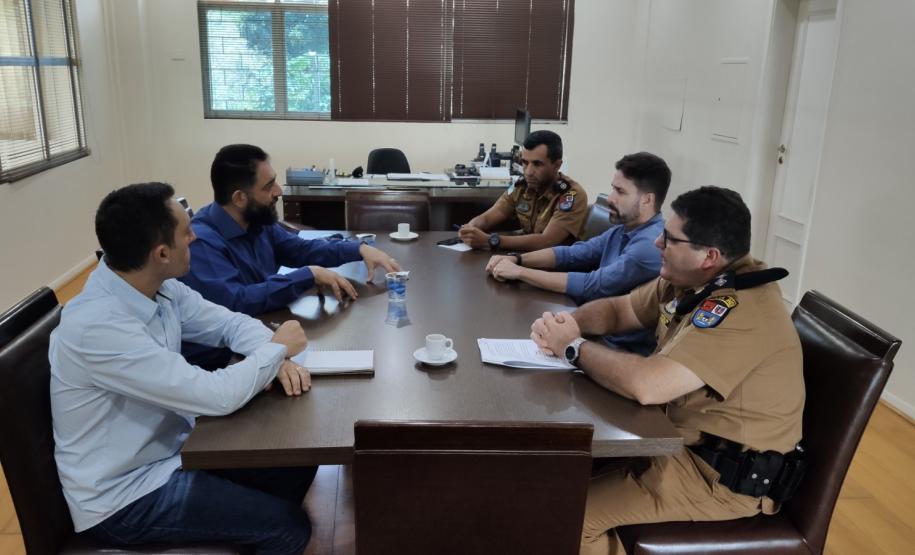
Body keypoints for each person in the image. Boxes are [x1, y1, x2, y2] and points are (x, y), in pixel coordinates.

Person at [529, 186, 805, 555]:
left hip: (718, 477)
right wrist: (568, 325)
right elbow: (619, 310)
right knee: (548, 473)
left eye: (671, 239)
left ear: (709, 256)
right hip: (672, 443)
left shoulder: (741, 308)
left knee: (565, 516)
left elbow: (649, 385)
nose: (657, 242)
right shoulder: (690, 280)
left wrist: (573, 347)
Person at [51, 182, 316, 554]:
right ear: (161, 253)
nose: (196, 238)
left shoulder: (157, 286)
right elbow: (215, 396)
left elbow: (229, 324)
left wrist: (276, 357)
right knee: (288, 527)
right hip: (126, 496)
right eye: (186, 232)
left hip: (175, 451)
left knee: (296, 460)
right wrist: (276, 350)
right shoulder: (98, 327)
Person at [180, 144, 400, 367]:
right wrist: (308, 275)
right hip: (223, 363)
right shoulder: (202, 243)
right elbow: (238, 302)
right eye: (268, 186)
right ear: (239, 198)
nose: (279, 191)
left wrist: (358, 249)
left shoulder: (256, 220)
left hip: (260, 338)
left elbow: (301, 249)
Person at [485, 152, 671, 355]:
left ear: (647, 200)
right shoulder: (624, 229)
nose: (610, 198)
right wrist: (517, 258)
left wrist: (520, 272)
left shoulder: (649, 245)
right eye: (613, 189)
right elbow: (574, 253)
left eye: (620, 191)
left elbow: (593, 285)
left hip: (619, 350)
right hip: (596, 333)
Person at [458, 130, 588, 251]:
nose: (528, 172)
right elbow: (490, 216)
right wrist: (471, 228)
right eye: (525, 163)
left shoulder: (571, 195)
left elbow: (546, 241)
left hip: (557, 263)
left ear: (557, 165)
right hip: (525, 256)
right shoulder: (522, 186)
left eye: (537, 164)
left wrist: (490, 240)